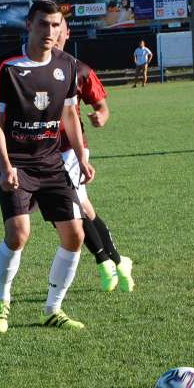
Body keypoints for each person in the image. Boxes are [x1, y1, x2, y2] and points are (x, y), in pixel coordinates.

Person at [0, 0, 94, 333]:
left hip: (51, 162)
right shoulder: (7, 68)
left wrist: (82, 156)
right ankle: (1, 304)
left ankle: (53, 308)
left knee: (74, 235)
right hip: (17, 162)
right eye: (43, 24)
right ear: (29, 25)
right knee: (19, 235)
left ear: (62, 28)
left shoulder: (68, 65)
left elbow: (70, 114)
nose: (50, 31)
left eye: (56, 25)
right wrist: (5, 166)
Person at [55, 16, 134, 293]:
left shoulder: (80, 70)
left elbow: (102, 105)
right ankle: (118, 260)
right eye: (48, 28)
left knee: (72, 207)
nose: (53, 35)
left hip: (71, 150)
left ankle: (104, 262)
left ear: (67, 33)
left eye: (58, 29)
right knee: (80, 208)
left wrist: (101, 115)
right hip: (38, 153)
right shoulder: (28, 70)